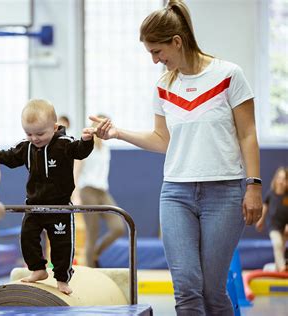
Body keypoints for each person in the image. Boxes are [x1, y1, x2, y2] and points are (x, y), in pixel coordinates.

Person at [91, 0, 262, 314]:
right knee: (185, 289)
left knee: (212, 291)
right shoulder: (163, 87)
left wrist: (254, 185)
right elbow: (162, 140)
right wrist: (118, 133)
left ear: (177, 42)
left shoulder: (229, 75)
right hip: (176, 194)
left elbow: (248, 134)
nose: (156, 60)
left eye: (157, 52)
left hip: (223, 193)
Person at [0, 99, 94, 294]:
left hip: (60, 207)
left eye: (40, 133)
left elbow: (80, 152)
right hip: (33, 205)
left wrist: (86, 140)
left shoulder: (64, 144)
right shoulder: (27, 147)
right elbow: (8, 157)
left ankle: (62, 279)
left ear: (55, 127)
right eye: (29, 133)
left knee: (61, 244)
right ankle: (38, 269)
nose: (35, 138)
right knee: (27, 237)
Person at [73, 115, 125, 268]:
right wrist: (75, 194)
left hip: (102, 191)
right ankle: (91, 269)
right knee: (92, 234)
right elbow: (75, 171)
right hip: (87, 191)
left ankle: (95, 253)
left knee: (118, 227)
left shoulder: (106, 148)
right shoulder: (86, 146)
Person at [256, 167, 288, 272]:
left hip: (284, 227)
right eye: (279, 178)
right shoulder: (271, 194)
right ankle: (282, 267)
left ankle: (273, 268)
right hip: (274, 225)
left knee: (281, 248)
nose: (281, 181)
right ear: (275, 179)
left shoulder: (287, 197)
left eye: (284, 179)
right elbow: (265, 207)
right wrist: (261, 220)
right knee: (277, 244)